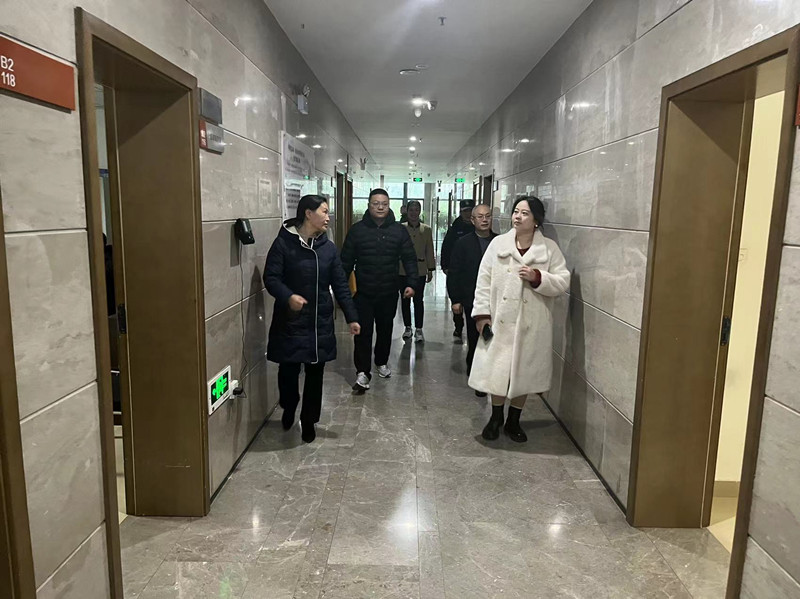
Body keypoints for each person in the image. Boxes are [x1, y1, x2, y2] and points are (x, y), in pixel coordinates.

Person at [469, 196, 570, 443]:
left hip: (532, 325)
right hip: (500, 321)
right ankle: (496, 418)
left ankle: (514, 420)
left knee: (523, 373)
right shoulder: (498, 244)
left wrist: (537, 277)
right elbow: (483, 281)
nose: (518, 216)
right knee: (497, 371)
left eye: (525, 213)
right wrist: (482, 315)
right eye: (516, 211)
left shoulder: (549, 249)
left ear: (536, 220)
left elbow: (562, 282)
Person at [264, 195, 361, 443]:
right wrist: (288, 296)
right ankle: (289, 404)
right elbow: (271, 277)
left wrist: (352, 317)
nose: (328, 217)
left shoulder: (328, 249)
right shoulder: (284, 243)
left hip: (319, 321)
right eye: (324, 212)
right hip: (291, 320)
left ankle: (309, 421)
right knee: (288, 369)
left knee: (315, 373)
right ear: (308, 213)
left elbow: (340, 285)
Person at [341, 188, 418, 392]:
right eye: (376, 203)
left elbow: (409, 258)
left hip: (388, 291)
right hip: (363, 293)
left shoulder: (398, 231)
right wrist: (340, 288)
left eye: (384, 203)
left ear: (389, 205)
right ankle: (362, 372)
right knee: (363, 332)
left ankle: (381, 361)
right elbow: (345, 262)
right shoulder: (357, 231)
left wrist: (411, 283)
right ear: (369, 205)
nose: (380, 207)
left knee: (385, 329)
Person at [446, 203, 497, 395]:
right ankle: (477, 374)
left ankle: (489, 373)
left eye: (487, 216)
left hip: (496, 299)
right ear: (473, 220)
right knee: (476, 336)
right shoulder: (463, 243)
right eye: (480, 217)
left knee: (493, 338)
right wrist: (455, 299)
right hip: (472, 298)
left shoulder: (499, 242)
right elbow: (454, 272)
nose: (484, 220)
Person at [400, 200, 436, 342]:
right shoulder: (401, 228)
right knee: (405, 300)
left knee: (418, 300)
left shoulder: (426, 229)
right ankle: (407, 327)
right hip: (403, 270)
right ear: (407, 211)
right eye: (411, 210)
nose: (414, 213)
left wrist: (430, 269)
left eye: (416, 210)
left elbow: (429, 249)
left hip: (420, 269)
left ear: (420, 211)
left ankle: (419, 329)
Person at [441, 200, 475, 339]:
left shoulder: (477, 227)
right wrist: (445, 266)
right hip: (457, 272)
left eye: (470, 211)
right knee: (457, 301)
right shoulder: (455, 228)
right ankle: (458, 325)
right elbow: (446, 248)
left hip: (473, 272)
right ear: (461, 212)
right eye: (465, 211)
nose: (467, 214)